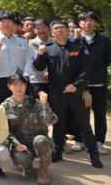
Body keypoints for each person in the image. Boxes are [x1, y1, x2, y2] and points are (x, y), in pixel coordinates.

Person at [33, 20, 103, 168]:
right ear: (51, 32)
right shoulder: (48, 48)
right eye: (55, 28)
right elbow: (38, 68)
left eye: (61, 28)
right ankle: (57, 152)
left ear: (67, 30)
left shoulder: (79, 48)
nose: (58, 30)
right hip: (57, 93)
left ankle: (93, 155)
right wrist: (40, 54)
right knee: (58, 124)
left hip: (76, 93)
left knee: (84, 124)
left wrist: (76, 85)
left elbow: (86, 70)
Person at [2, 74, 57, 185]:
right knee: (22, 161)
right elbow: (4, 130)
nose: (19, 87)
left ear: (26, 86)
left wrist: (45, 104)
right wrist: (16, 144)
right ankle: (28, 164)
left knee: (40, 140)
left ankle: (43, 170)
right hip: (21, 144)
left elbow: (51, 120)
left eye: (22, 84)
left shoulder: (35, 102)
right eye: (15, 84)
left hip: (39, 141)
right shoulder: (4, 106)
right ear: (9, 86)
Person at [74, 11, 111, 155]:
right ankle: (79, 140)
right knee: (80, 113)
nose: (87, 23)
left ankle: (99, 142)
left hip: (98, 84)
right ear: (79, 23)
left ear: (96, 23)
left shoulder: (104, 40)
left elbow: (107, 60)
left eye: (91, 20)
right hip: (79, 84)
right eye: (84, 20)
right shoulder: (75, 40)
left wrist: (96, 71)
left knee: (100, 114)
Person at [0, 11, 29, 103]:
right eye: (3, 21)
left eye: (9, 21)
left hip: (20, 79)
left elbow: (28, 60)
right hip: (1, 79)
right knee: (2, 107)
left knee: (22, 106)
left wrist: (26, 75)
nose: (6, 24)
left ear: (13, 24)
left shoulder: (22, 40)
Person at [23, 18, 50, 95]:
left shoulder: (55, 42)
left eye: (44, 27)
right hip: (36, 81)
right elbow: (28, 62)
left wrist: (50, 72)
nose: (41, 31)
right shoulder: (29, 44)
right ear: (34, 30)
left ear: (48, 28)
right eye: (38, 28)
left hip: (53, 80)